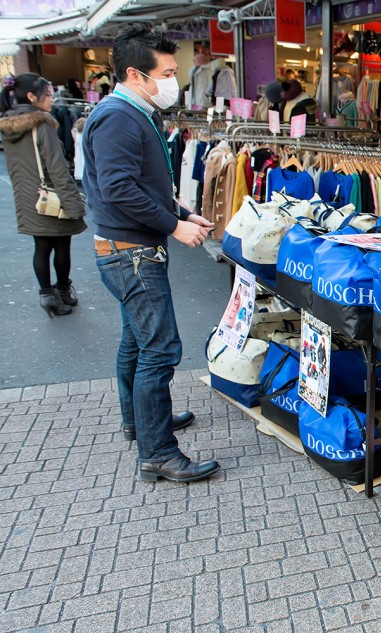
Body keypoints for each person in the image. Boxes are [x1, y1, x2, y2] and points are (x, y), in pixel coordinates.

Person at [82, 23, 219, 484]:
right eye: (166, 71)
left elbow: (143, 182)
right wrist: (174, 226)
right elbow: (119, 189)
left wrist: (183, 210)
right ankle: (157, 451)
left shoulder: (132, 112)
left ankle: (140, 423)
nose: (172, 79)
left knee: (136, 342)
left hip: (128, 247)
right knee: (159, 348)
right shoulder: (119, 117)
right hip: (130, 253)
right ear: (137, 74)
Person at [0, 73, 87, 317]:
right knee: (62, 246)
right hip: (52, 196)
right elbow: (57, 168)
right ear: (31, 96)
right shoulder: (42, 124)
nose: (51, 99)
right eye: (47, 94)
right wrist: (73, 203)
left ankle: (46, 294)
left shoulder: (8, 125)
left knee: (41, 246)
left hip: (27, 197)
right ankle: (63, 290)